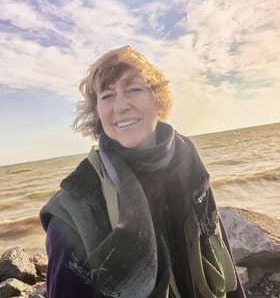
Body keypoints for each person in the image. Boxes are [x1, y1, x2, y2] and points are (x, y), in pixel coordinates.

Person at [40, 45, 246, 298]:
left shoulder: (190, 169)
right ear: (97, 113)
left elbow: (219, 251)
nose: (121, 106)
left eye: (133, 89)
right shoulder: (75, 210)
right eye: (106, 96)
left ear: (156, 99)